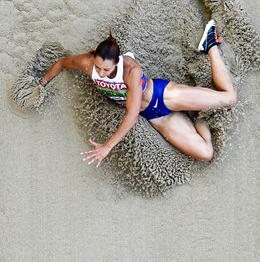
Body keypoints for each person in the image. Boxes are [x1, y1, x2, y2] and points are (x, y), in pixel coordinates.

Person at [40, 20, 237, 167]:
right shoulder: (87, 63)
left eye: (106, 70)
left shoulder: (131, 71)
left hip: (164, 97)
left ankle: (210, 44)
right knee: (205, 153)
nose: (101, 73)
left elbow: (132, 114)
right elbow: (61, 63)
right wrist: (42, 83)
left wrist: (108, 146)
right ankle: (200, 117)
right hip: (156, 116)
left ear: (117, 63)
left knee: (230, 98)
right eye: (98, 67)